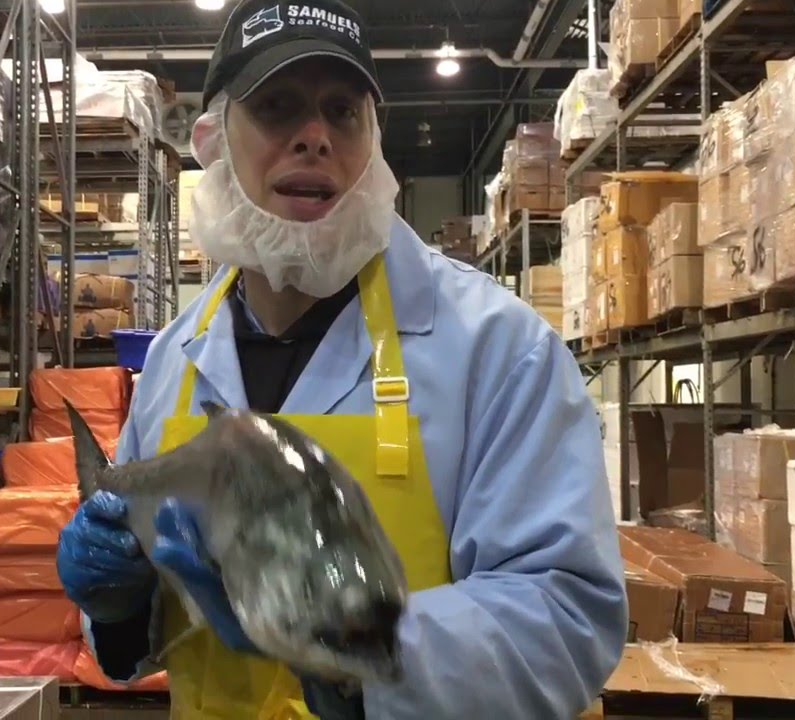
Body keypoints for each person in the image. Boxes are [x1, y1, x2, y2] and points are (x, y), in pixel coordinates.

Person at [55, 0, 628, 717]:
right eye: (277, 107)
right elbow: (154, 620)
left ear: (374, 144)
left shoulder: (499, 348)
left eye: (342, 112)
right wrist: (117, 606)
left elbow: (568, 618)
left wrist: (358, 653)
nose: (315, 137)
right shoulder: (176, 357)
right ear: (212, 140)